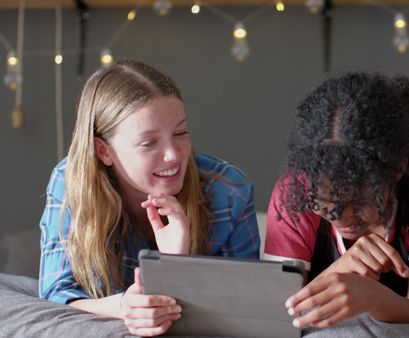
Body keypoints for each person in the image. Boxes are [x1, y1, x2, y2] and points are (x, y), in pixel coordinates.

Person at [39, 60, 259, 336]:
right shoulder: (71, 181)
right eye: (149, 143)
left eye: (180, 133)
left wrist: (176, 264)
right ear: (104, 151)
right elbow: (56, 294)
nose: (174, 155)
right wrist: (124, 306)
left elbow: (249, 310)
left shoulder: (229, 191)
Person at [264, 72, 409, 328]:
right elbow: (271, 315)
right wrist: (340, 271)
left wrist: (374, 300)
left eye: (359, 204)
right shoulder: (296, 189)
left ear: (398, 169)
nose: (343, 220)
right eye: (325, 206)